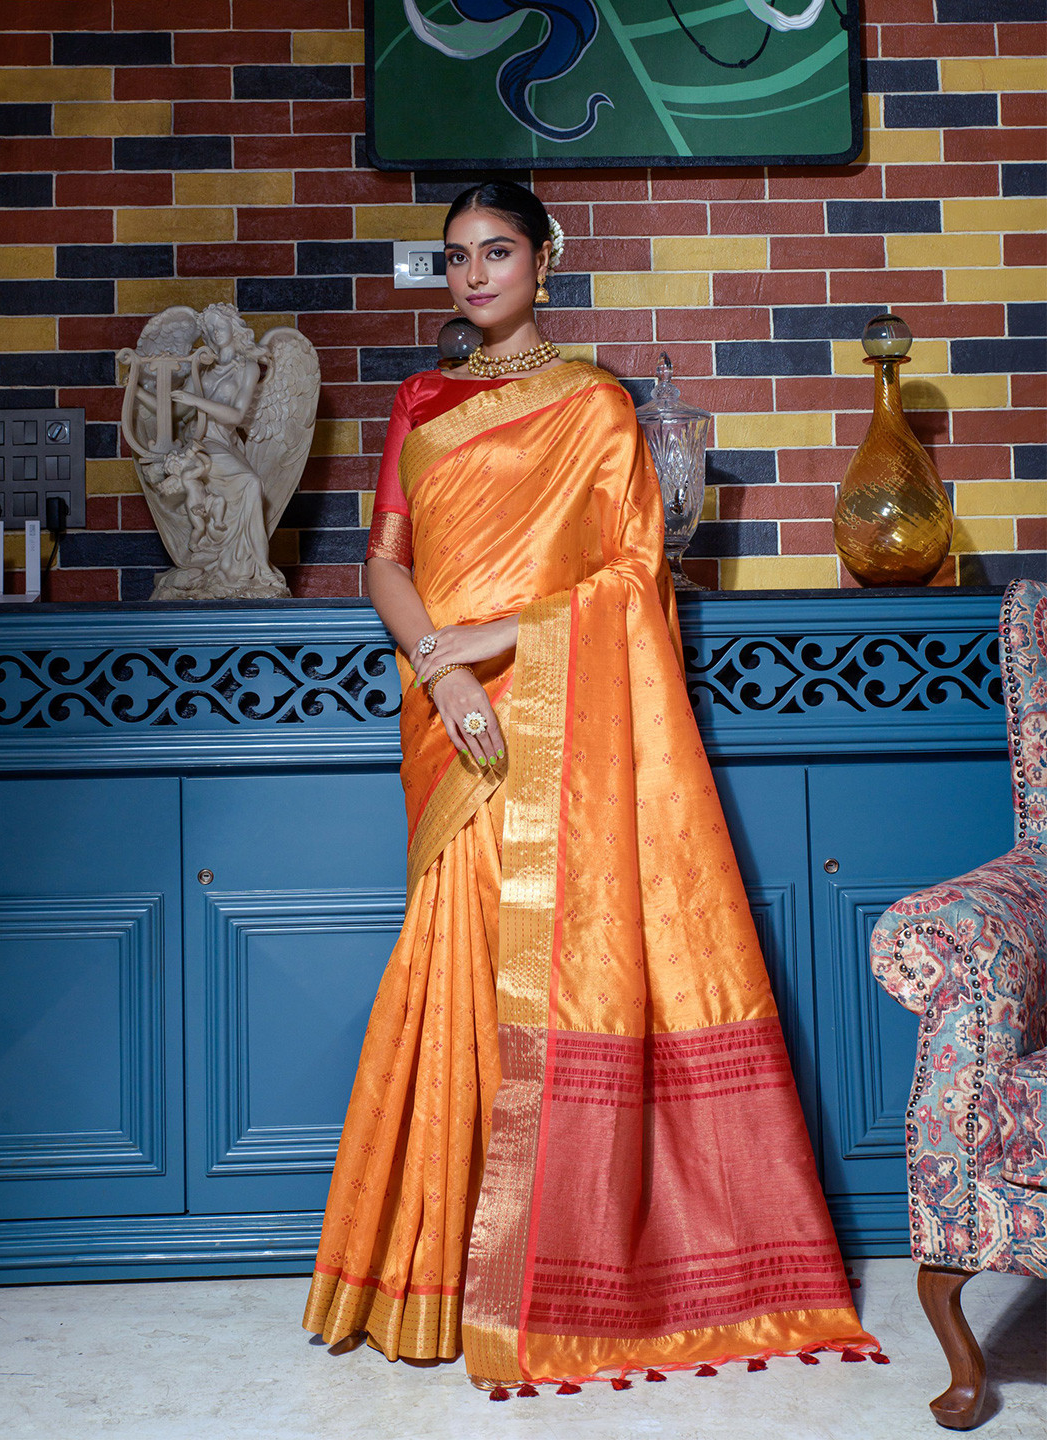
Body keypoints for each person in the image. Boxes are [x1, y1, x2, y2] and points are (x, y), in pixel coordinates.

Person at [303, 180, 879, 1393]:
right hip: (448, 713)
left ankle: (538, 1271)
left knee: (552, 962)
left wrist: (494, 641)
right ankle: (433, 1274)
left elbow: (629, 575)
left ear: (544, 261)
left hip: (554, 705)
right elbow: (384, 563)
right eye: (456, 257)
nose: (473, 275)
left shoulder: (597, 406)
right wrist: (440, 670)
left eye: (495, 252)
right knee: (457, 961)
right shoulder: (421, 401)